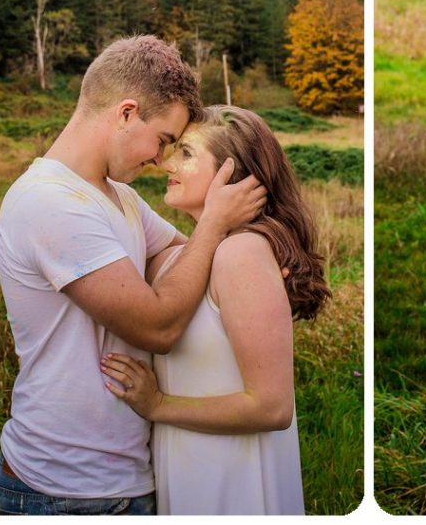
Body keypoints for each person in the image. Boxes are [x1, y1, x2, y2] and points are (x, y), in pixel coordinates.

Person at [0, 35, 266, 515]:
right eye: (162, 140)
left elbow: (189, 258)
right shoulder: (51, 202)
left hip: (119, 476)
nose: (160, 160)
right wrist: (215, 223)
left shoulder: (118, 197)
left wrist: (256, 255)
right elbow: (156, 326)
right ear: (125, 113)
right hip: (67, 488)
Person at [100, 105, 330, 515]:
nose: (167, 162)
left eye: (187, 154)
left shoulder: (241, 253)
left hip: (234, 478)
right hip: (186, 467)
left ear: (231, 175)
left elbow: (273, 406)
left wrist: (158, 406)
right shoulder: (178, 260)